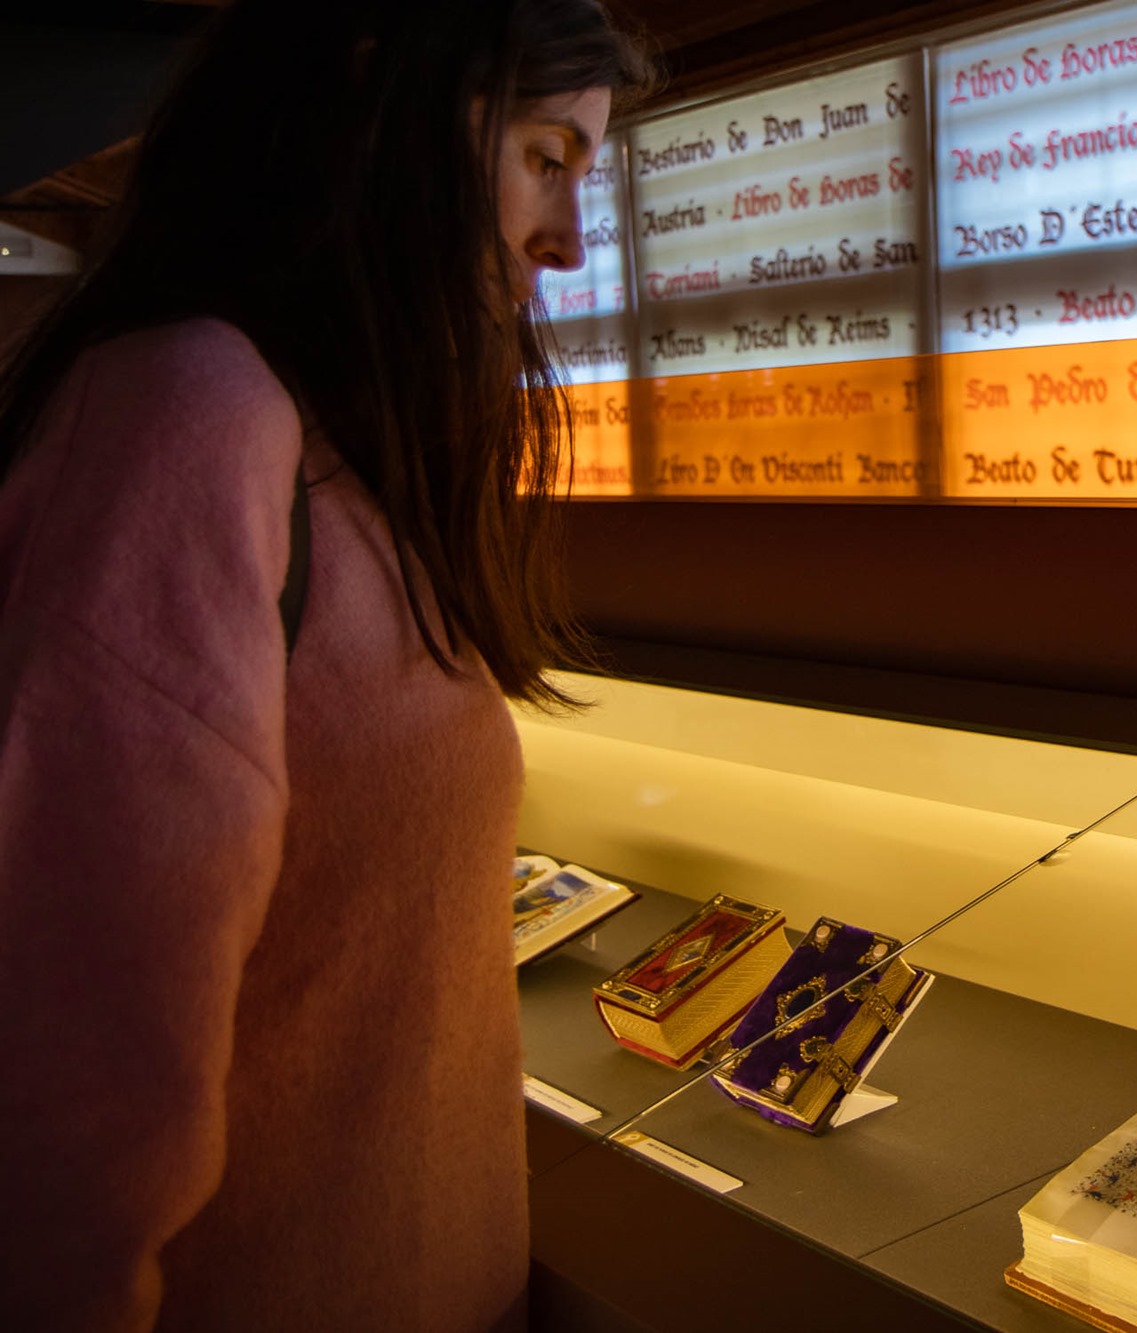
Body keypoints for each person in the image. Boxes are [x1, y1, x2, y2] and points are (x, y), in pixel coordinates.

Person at [0, 2, 648, 1328]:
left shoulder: (333, 453)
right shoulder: (189, 416)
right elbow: (74, 1090)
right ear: (379, 114)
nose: (566, 240)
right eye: (543, 154)